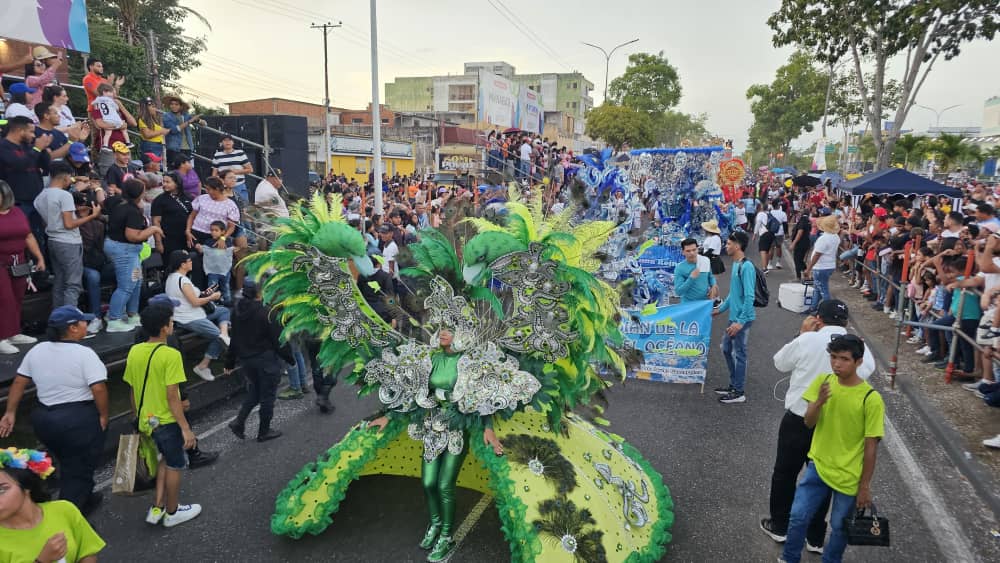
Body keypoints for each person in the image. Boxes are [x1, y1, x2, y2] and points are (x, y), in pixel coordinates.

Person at [763, 300, 875, 553]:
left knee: (785, 473)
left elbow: (780, 362)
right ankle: (815, 537)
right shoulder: (858, 346)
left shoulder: (808, 339)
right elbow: (867, 371)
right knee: (823, 477)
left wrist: (802, 334)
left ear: (818, 319)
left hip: (799, 417)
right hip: (832, 424)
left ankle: (780, 526)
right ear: (845, 322)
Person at [781, 334, 885, 563]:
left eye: (844, 359)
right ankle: (789, 558)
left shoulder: (871, 399)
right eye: (834, 357)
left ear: (858, 362)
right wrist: (818, 403)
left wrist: (864, 486)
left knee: (839, 528)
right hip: (818, 466)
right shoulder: (823, 381)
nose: (837, 364)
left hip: (849, 476)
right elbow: (809, 422)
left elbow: (871, 447)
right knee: (798, 516)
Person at [0, 306, 109, 514]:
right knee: (78, 469)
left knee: (69, 461)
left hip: (44, 419)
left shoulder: (37, 350)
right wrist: (103, 415)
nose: (86, 325)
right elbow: (98, 388)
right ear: (72, 328)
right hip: (77, 418)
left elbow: (19, 382)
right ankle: (69, 517)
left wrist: (10, 412)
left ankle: (86, 497)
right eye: (83, 322)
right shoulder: (85, 354)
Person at [123, 303, 203, 528]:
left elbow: (132, 389)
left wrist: (136, 416)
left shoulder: (135, 351)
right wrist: (185, 428)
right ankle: (172, 511)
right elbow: (172, 396)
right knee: (175, 463)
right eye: (171, 321)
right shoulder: (170, 355)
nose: (172, 324)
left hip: (146, 421)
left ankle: (157, 506)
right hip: (166, 421)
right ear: (164, 328)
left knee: (164, 459)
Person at [0, 450, 106, 562]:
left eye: (1, 489)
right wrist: (42, 560)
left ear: (27, 486)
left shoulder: (64, 509)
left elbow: (87, 552)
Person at [226, 280, 292, 442]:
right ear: (259, 293)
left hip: (246, 361)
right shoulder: (266, 312)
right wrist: (290, 358)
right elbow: (278, 340)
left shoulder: (236, 312)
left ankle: (239, 422)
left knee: (255, 391)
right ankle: (264, 431)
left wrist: (229, 362)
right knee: (267, 396)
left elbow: (234, 338)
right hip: (265, 360)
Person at [33, 162, 99, 308]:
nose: (71, 181)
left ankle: (58, 316)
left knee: (59, 282)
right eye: (70, 178)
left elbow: (47, 221)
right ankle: (70, 317)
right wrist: (92, 216)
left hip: (52, 240)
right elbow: (69, 224)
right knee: (73, 284)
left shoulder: (40, 196)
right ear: (65, 178)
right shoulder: (64, 195)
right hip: (69, 242)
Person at [104, 179, 162, 332]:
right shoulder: (132, 211)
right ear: (138, 194)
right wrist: (153, 229)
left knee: (136, 281)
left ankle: (132, 314)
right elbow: (133, 236)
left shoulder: (117, 201)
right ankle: (114, 319)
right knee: (126, 285)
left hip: (124, 248)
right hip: (125, 249)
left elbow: (104, 203)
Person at [164, 249, 230, 381]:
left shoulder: (171, 278)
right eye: (189, 261)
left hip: (189, 314)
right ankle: (202, 366)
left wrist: (205, 293)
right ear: (183, 264)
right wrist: (212, 297)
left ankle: (225, 334)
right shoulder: (183, 281)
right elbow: (195, 302)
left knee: (224, 311)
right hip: (190, 318)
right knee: (218, 338)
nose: (191, 263)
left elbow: (191, 297)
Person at [0, 180, 45, 355]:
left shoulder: (17, 212)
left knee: (17, 297)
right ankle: (2, 337)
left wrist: (39, 257)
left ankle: (13, 332)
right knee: (4, 299)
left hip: (18, 261)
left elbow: (28, 236)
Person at [713, 230, 756, 404]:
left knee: (739, 354)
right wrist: (720, 309)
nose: (726, 246)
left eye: (729, 243)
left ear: (737, 246)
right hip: (734, 317)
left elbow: (749, 297)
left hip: (742, 319)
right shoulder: (736, 265)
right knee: (726, 349)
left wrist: (740, 322)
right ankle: (733, 384)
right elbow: (734, 294)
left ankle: (738, 391)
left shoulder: (747, 267)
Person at [0, 116, 52, 247]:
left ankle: (39, 259)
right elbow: (18, 164)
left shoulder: (29, 147)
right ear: (20, 131)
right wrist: (37, 149)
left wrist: (43, 149)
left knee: (38, 237)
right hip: (16, 202)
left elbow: (47, 166)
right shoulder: (3, 146)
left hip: (36, 200)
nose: (33, 135)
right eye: (31, 131)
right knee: (19, 238)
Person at [88, 83, 135, 176]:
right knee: (108, 174)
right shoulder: (98, 105)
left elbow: (133, 123)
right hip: (109, 147)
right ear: (104, 93)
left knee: (128, 174)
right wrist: (120, 126)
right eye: (113, 92)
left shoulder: (116, 107)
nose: (114, 95)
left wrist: (121, 106)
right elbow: (100, 124)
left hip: (123, 147)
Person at [151, 171, 193, 258]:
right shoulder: (159, 200)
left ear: (177, 183)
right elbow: (156, 222)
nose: (164, 184)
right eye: (163, 182)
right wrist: (158, 242)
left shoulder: (188, 197)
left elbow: (192, 215)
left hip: (186, 237)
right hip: (168, 239)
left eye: (168, 182)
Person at [804, 215, 840, 314]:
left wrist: (808, 268)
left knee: (823, 291)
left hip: (821, 267)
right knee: (818, 288)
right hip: (829, 265)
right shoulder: (836, 237)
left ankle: (828, 311)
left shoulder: (824, 239)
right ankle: (813, 307)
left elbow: (817, 255)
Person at [197, 221, 234, 306]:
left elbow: (230, 251)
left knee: (226, 287)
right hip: (213, 271)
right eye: (212, 230)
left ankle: (228, 302)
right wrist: (199, 247)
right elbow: (203, 251)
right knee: (212, 288)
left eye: (216, 230)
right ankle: (212, 304)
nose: (213, 232)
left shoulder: (228, 242)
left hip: (225, 271)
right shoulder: (208, 242)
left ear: (223, 232)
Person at [211, 134, 253, 203]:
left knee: (243, 206)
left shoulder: (240, 153)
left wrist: (235, 172)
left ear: (233, 142)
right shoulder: (217, 155)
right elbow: (214, 174)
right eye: (225, 140)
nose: (227, 142)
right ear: (221, 143)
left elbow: (250, 170)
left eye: (229, 140)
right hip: (223, 188)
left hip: (239, 186)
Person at [674, 238, 717, 303]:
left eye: (694, 250)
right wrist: (691, 278)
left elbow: (710, 277)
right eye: (688, 251)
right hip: (688, 305)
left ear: (697, 249)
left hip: (705, 303)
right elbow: (678, 292)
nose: (692, 253)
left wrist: (713, 285)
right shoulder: (680, 268)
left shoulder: (705, 260)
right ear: (683, 252)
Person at [161, 96, 201, 165]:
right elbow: (174, 130)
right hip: (174, 148)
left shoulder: (185, 115)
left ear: (181, 106)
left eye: (176, 104)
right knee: (174, 169)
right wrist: (189, 122)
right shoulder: (166, 116)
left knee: (186, 168)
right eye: (172, 104)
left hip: (187, 148)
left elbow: (204, 123)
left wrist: (199, 120)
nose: (173, 106)